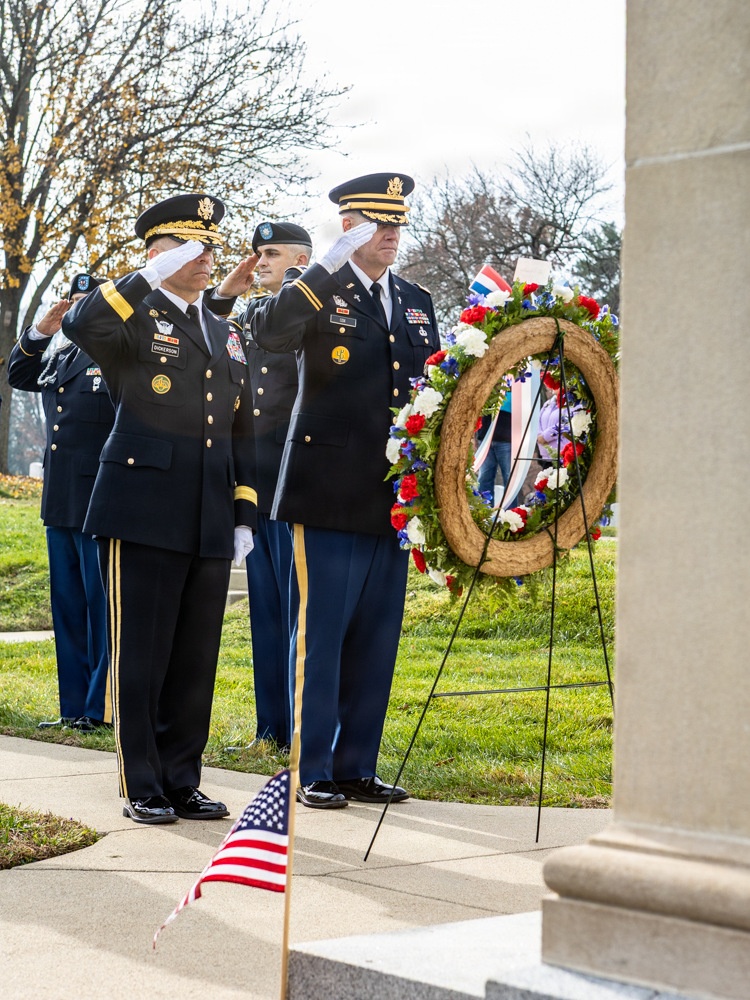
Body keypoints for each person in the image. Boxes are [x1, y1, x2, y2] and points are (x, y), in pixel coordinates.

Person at [61, 194, 257, 825]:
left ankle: (181, 777)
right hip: (140, 508)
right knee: (141, 654)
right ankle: (140, 780)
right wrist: (143, 275)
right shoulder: (131, 319)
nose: (207, 261)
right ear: (158, 254)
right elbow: (81, 326)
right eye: (191, 250)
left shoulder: (221, 329)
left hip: (207, 511)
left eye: (209, 249)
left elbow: (242, 427)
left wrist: (244, 512)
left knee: (195, 657)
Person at [251, 173, 441, 808]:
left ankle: (359, 764)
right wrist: (322, 270)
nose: (390, 235)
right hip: (325, 489)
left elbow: (432, 392)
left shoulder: (415, 299)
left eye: (396, 225)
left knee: (375, 637)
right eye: (375, 224)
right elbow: (271, 334)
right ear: (347, 227)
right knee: (322, 635)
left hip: (391, 497)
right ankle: (314, 768)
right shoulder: (316, 292)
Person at [214, 221, 312, 751]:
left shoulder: (317, 308)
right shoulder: (247, 315)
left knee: (299, 610)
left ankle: (300, 725)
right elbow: (204, 324)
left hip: (295, 480)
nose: (261, 261)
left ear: (301, 257)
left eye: (272, 253)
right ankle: (270, 728)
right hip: (255, 484)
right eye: (258, 253)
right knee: (266, 611)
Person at [8, 274, 114, 733]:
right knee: (68, 607)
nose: (78, 307)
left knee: (101, 606)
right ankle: (73, 707)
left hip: (100, 500)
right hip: (61, 499)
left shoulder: (117, 352)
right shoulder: (63, 353)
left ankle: (101, 706)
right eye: (74, 300)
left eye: (89, 301)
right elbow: (18, 374)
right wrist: (41, 332)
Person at [476, 389, 517, 508]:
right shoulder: (487, 386)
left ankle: (511, 515)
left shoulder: (515, 389)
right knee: (484, 478)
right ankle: (484, 513)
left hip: (507, 440)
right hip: (485, 440)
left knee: (509, 479)